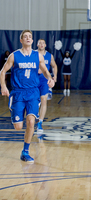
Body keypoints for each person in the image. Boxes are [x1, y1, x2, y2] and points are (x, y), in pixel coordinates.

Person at [0, 30, 55, 163]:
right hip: (18, 92)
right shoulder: (14, 56)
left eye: (30, 36)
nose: (28, 38)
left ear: (32, 40)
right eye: (25, 37)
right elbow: (2, 71)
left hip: (32, 93)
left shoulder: (38, 56)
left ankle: (25, 151)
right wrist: (3, 86)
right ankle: (14, 107)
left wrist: (50, 78)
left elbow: (45, 70)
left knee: (31, 122)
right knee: (18, 127)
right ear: (21, 40)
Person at [36, 39, 58, 132]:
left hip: (45, 81)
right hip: (34, 80)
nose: (41, 44)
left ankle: (40, 123)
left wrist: (55, 76)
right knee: (34, 101)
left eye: (43, 43)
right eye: (39, 43)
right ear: (37, 44)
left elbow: (54, 66)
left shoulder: (49, 56)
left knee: (44, 100)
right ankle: (35, 113)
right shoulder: (33, 54)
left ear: (45, 45)